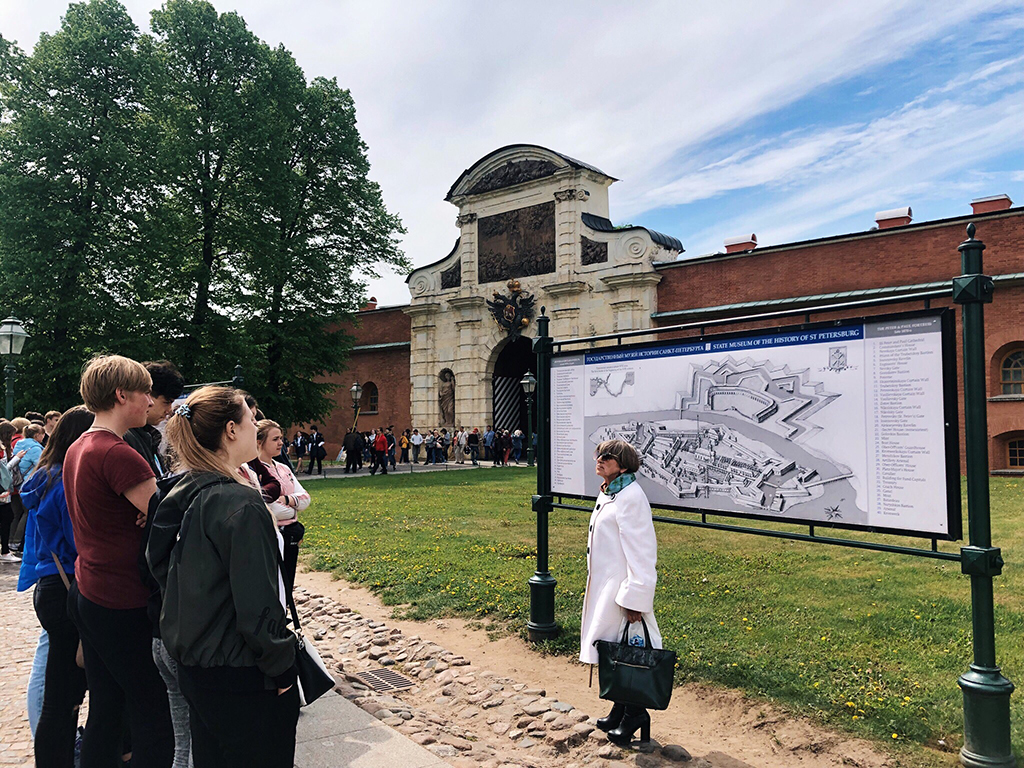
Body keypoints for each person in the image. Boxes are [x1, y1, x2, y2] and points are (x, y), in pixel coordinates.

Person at [147, 387, 298, 768]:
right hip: (240, 669)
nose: (255, 426)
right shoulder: (239, 503)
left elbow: (157, 565)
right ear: (231, 430)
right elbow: (258, 603)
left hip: (196, 660)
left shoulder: (183, 487)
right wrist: (282, 665)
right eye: (251, 419)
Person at [63, 354, 174, 767]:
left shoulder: (80, 445)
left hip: (90, 589)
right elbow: (169, 524)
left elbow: (152, 512)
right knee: (152, 711)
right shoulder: (117, 452)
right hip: (122, 597)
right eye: (145, 392)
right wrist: (155, 512)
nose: (150, 401)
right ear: (121, 394)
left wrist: (152, 511)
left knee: (107, 707)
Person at [19, 406, 94, 768]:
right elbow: (79, 540)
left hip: (50, 583)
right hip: (67, 584)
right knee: (64, 696)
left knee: (61, 694)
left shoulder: (46, 476)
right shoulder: (64, 481)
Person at [579, 439, 661, 746]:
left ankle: (636, 713)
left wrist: (635, 597)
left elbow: (642, 551)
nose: (600, 459)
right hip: (607, 585)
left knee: (627, 652)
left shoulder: (631, 497)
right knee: (614, 650)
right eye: (599, 454)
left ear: (623, 465)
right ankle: (620, 707)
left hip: (621, 588)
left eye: (608, 456)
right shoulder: (611, 492)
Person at [249, 420, 309, 596]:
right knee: (271, 586)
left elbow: (305, 498)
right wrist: (293, 508)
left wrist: (287, 499)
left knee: (287, 583)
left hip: (291, 535)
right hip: (269, 536)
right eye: (275, 439)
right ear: (259, 442)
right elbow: (270, 509)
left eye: (281, 438)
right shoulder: (252, 470)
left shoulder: (283, 468)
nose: (281, 443)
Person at [125, 360, 185, 478]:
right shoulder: (128, 438)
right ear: (147, 394)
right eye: (166, 402)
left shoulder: (148, 436)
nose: (169, 410)